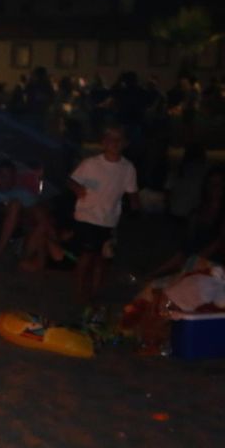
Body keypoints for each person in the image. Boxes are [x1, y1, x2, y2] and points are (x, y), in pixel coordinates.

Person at [66, 121, 139, 308]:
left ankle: (94, 293)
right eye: (110, 139)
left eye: (118, 139)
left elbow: (132, 191)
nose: (114, 143)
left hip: (108, 220)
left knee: (102, 258)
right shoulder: (91, 164)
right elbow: (72, 180)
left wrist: (135, 205)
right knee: (87, 255)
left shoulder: (127, 168)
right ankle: (79, 292)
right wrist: (78, 190)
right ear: (103, 142)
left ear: (125, 143)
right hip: (87, 216)